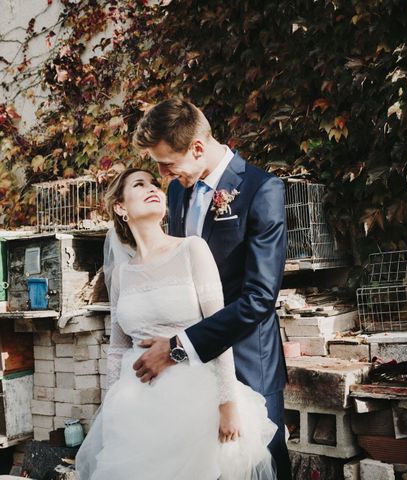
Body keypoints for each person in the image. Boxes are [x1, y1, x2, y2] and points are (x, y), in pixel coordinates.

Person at [76, 169, 277, 479]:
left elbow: (218, 327)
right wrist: (112, 409)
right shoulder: (121, 274)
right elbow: (117, 348)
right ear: (120, 207)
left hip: (193, 401)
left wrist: (227, 403)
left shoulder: (191, 249)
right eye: (139, 185)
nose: (152, 188)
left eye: (154, 183)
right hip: (136, 408)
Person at [130, 98, 291, 479]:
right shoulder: (177, 192)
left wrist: (176, 348)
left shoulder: (261, 190)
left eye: (167, 163)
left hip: (248, 361)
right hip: (194, 373)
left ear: (198, 148)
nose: (164, 174)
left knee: (260, 467)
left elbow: (258, 300)